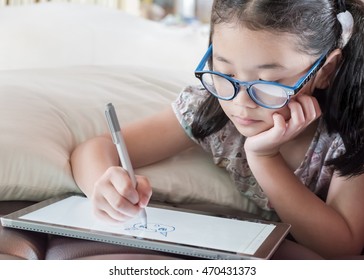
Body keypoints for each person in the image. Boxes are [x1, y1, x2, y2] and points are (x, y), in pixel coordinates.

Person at [71, 0, 364, 259]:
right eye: (225, 73)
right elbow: (95, 148)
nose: (240, 102)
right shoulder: (211, 108)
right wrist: (106, 188)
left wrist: (264, 158)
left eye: (268, 82)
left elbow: (341, 246)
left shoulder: (351, 131)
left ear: (325, 70)